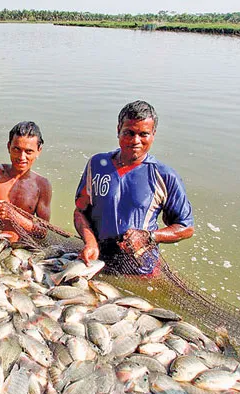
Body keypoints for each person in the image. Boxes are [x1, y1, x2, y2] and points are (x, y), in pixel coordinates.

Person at [74, 100, 194, 276]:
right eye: (128, 133)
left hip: (140, 269)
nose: (135, 140)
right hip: (96, 261)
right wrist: (90, 242)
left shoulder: (165, 176)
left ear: (153, 134)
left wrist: (150, 236)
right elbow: (80, 211)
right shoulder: (97, 164)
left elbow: (186, 227)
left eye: (143, 134)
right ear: (118, 130)